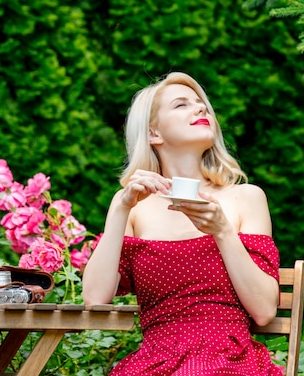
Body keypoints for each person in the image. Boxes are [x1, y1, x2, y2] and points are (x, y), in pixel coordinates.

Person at [82, 72, 282, 376]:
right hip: (155, 362)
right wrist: (120, 206)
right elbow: (95, 299)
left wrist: (222, 231)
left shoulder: (245, 198)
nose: (201, 109)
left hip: (230, 360)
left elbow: (265, 311)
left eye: (201, 104)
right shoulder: (134, 208)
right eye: (181, 105)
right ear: (153, 134)